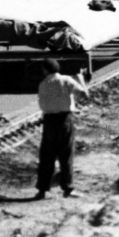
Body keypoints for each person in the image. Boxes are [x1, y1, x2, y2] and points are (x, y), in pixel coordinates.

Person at [34, 58, 89, 198]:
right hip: (64, 119)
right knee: (66, 154)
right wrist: (81, 79)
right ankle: (68, 188)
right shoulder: (66, 80)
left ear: (45, 69)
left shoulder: (42, 84)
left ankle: (42, 190)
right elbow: (85, 95)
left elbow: (42, 105)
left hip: (48, 121)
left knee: (47, 156)